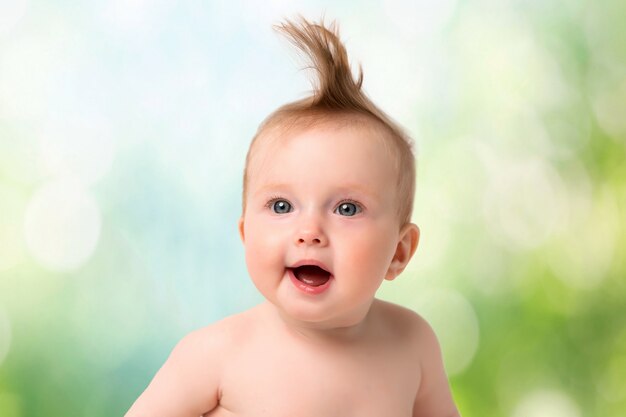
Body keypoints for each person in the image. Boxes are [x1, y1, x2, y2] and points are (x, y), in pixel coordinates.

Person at [126, 17, 461, 417]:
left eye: (347, 208)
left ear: (399, 252)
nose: (310, 232)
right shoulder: (216, 355)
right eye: (282, 206)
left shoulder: (412, 343)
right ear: (246, 234)